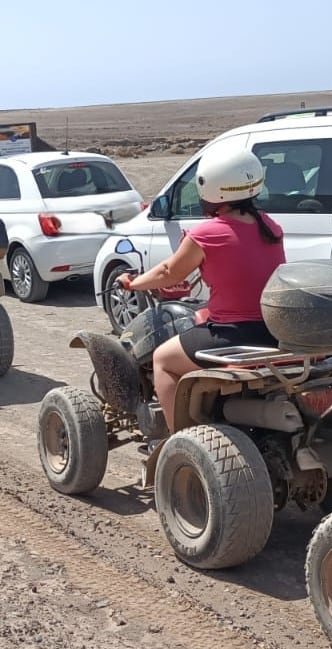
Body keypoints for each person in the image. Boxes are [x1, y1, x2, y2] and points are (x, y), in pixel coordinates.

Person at [115, 148, 286, 442]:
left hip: (235, 335)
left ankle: (177, 441)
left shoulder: (207, 233)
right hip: (272, 331)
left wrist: (132, 284)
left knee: (162, 360)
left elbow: (168, 272)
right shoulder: (269, 226)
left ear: (211, 188)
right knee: (201, 316)